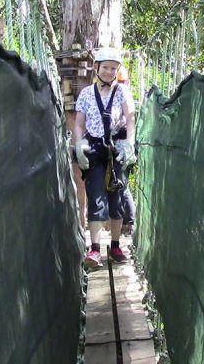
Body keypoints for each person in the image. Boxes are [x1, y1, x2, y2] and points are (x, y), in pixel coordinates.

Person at [74, 47, 137, 268]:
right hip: (95, 151)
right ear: (97, 68)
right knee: (96, 198)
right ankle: (94, 250)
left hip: (117, 150)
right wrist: (79, 144)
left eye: (113, 68)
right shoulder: (86, 94)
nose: (110, 72)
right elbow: (79, 124)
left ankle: (116, 245)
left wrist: (130, 142)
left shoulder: (122, 92)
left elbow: (130, 118)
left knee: (117, 199)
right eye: (106, 67)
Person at [115, 64, 137, 236]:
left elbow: (129, 121)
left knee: (122, 185)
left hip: (124, 147)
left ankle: (128, 222)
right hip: (120, 146)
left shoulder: (122, 93)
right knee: (121, 184)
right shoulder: (120, 93)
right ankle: (125, 221)